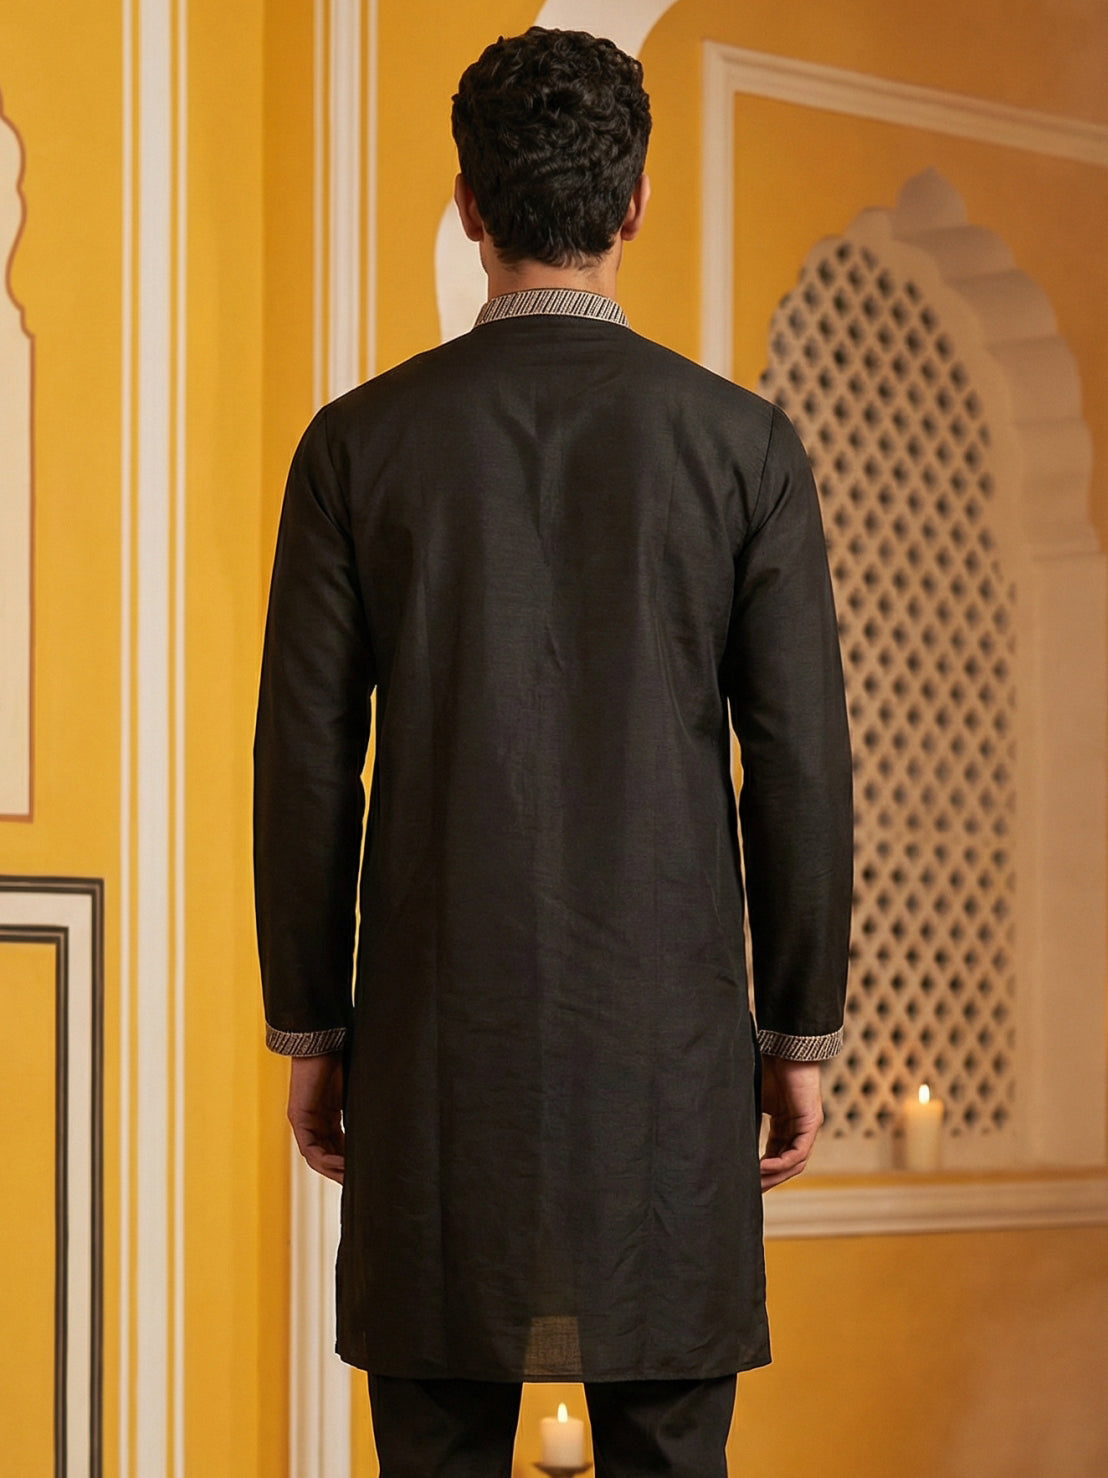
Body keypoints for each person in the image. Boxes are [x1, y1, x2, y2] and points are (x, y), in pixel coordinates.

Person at [254, 25, 852, 1478]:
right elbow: (799, 768)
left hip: (435, 1056)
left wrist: (314, 1031)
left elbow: (306, 767)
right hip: (669, 1067)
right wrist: (799, 1035)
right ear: (634, 202)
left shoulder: (356, 446)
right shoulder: (744, 448)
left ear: (470, 203)